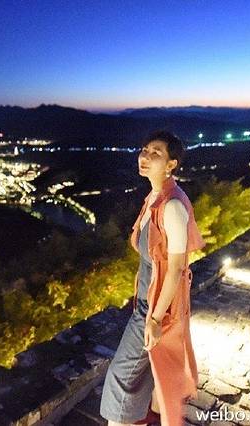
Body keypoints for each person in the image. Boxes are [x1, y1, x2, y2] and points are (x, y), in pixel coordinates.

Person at [100, 131, 205, 426]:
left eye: (156, 153)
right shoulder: (155, 199)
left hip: (156, 310)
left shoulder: (172, 206)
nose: (145, 157)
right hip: (149, 303)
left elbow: (177, 268)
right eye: (144, 150)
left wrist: (155, 319)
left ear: (171, 164)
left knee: (121, 377)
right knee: (153, 374)